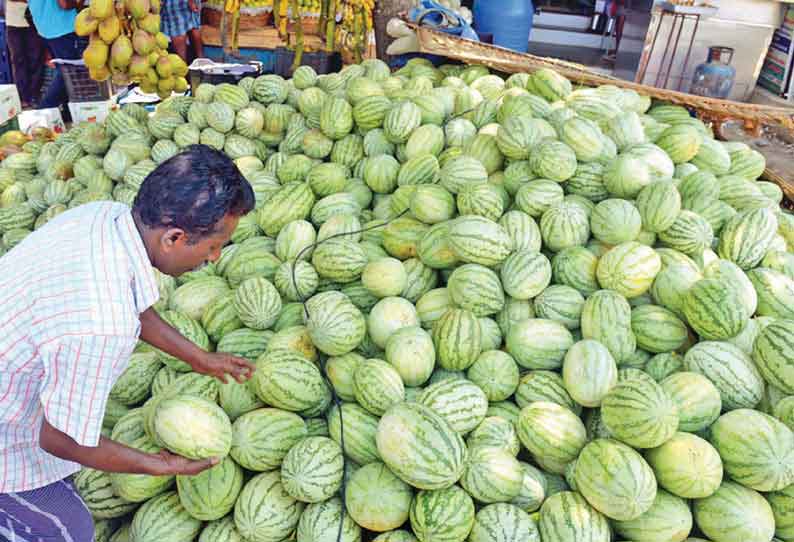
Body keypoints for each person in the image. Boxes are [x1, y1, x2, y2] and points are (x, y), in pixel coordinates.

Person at [0, 145, 256, 541]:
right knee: (69, 531)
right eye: (212, 247)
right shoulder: (102, 325)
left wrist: (199, 359)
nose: (216, 258)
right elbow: (59, 439)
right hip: (8, 431)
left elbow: (133, 304)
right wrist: (155, 464)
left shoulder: (103, 216)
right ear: (173, 237)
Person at [27, 0, 86, 109]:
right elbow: (65, 4)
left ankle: (66, 112)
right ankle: (43, 110)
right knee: (68, 75)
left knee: (65, 74)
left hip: (45, 29)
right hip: (63, 28)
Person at [5, 0, 46, 108]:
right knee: (19, 62)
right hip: (14, 23)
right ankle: (23, 97)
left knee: (36, 60)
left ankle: (34, 96)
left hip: (35, 21)